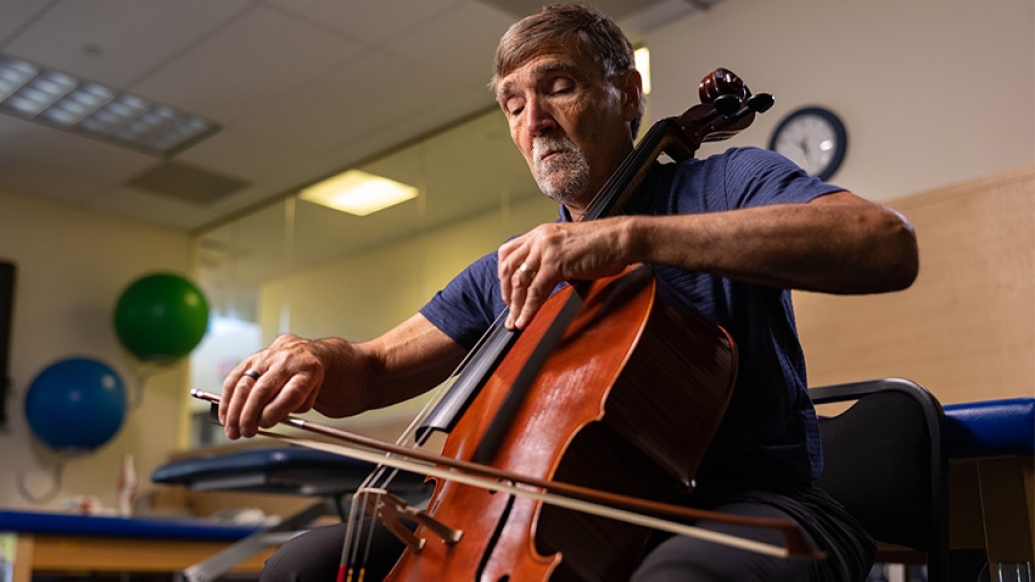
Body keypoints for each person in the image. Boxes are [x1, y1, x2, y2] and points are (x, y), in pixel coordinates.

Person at [219, 4, 919, 581]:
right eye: (512, 105)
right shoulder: (516, 268)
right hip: (553, 518)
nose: (534, 121)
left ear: (628, 95)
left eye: (557, 86)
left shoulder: (727, 184)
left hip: (751, 505)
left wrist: (629, 239)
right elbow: (370, 370)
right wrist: (313, 356)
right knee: (304, 564)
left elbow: (882, 243)